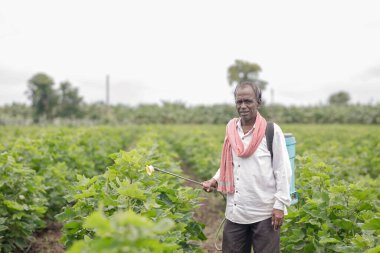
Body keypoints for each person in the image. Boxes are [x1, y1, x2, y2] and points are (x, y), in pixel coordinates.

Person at [202, 80, 291, 253]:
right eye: (239, 101)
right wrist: (214, 180)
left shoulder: (271, 131)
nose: (243, 106)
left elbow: (282, 170)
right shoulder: (231, 130)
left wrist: (280, 205)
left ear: (258, 102)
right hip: (236, 211)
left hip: (264, 212)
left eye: (248, 101)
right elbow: (229, 163)